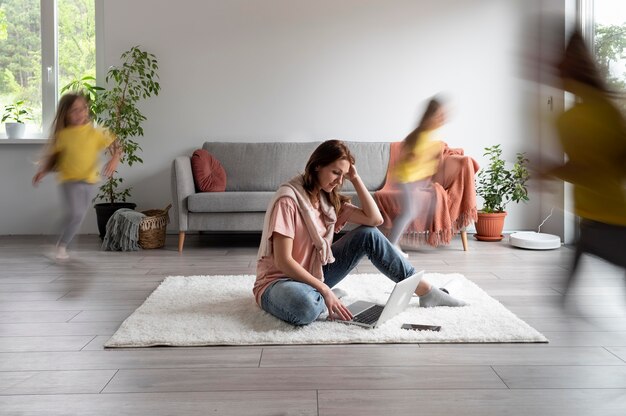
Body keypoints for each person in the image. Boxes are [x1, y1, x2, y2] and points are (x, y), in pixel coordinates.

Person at [253, 139, 466, 326]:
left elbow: (375, 220)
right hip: (279, 282)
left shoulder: (328, 200)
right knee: (305, 308)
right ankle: (320, 296)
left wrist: (355, 179)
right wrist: (326, 290)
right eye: (336, 172)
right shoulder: (288, 201)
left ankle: (426, 291)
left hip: (314, 272)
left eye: (343, 175)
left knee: (368, 235)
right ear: (317, 166)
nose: (339, 180)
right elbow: (282, 261)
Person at [545, 31, 626, 295]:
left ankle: (563, 300)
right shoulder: (608, 109)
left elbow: (585, 170)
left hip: (607, 218)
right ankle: (563, 300)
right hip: (602, 215)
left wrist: (549, 170)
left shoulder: (572, 119)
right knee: (580, 251)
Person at [32, 92, 121, 260]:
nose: (81, 113)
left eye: (84, 108)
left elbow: (116, 144)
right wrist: (42, 171)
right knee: (76, 214)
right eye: (75, 110)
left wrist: (115, 159)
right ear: (65, 113)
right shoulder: (63, 136)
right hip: (69, 181)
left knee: (75, 215)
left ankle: (57, 242)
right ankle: (61, 246)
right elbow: (54, 156)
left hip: (88, 181)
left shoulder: (95, 132)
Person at [388, 97, 446, 257]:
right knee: (409, 212)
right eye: (439, 116)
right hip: (405, 179)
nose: (442, 119)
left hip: (412, 180)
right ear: (430, 117)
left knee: (419, 208)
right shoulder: (421, 135)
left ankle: (398, 240)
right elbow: (410, 158)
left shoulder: (427, 134)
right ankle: (391, 245)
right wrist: (416, 157)